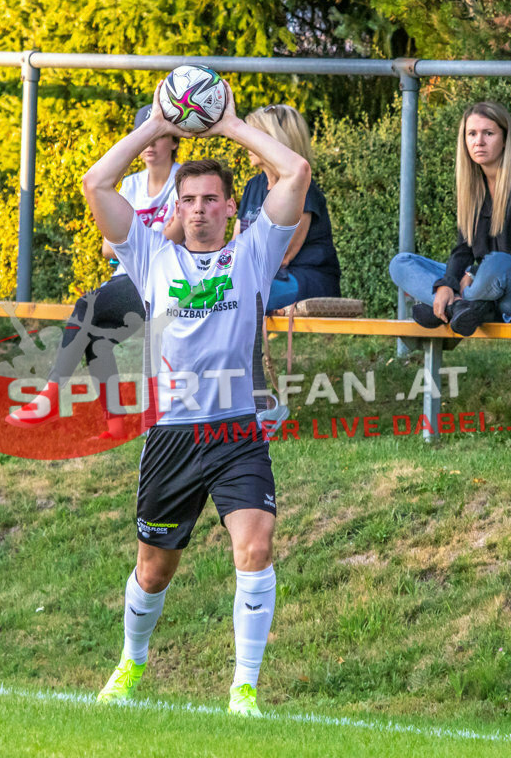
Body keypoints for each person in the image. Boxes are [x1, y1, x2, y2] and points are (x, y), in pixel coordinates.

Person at [83, 80, 310, 716]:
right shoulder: (150, 256)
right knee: (153, 570)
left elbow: (295, 171)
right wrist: (159, 123)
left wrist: (229, 123)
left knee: (255, 546)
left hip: (236, 430)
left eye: (212, 199)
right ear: (176, 209)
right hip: (172, 435)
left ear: (233, 208)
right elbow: (96, 184)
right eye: (189, 200)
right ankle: (131, 661)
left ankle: (244, 690)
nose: (200, 209)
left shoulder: (254, 251)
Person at [5, 104, 182, 437]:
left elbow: (172, 243)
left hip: (164, 281)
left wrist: (134, 237)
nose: (149, 144)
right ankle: (115, 424)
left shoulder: (184, 180)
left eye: (158, 135)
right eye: (143, 135)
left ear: (173, 140)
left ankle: (50, 397)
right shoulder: (129, 186)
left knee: (87, 307)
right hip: (127, 278)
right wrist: (151, 236)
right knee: (96, 334)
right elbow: (107, 247)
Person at [389, 101, 511, 336]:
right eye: (472, 134)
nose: (478, 141)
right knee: (401, 263)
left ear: (505, 138)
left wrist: (472, 274)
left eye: (488, 133)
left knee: (497, 263)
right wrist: (447, 284)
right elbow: (463, 249)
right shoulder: (473, 184)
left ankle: (451, 307)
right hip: (482, 284)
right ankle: (461, 306)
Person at [235, 104, 340, 312]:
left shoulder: (303, 189)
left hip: (305, 280)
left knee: (234, 297)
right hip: (261, 279)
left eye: (256, 136)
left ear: (276, 141)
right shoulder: (253, 186)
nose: (248, 143)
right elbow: (236, 247)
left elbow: (281, 257)